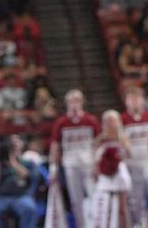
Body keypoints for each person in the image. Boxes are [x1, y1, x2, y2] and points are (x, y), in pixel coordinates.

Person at [49, 89, 100, 228]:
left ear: (82, 103)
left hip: (88, 164)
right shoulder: (61, 123)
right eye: (71, 102)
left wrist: (97, 164)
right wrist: (53, 167)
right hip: (70, 165)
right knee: (75, 199)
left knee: (94, 195)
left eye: (77, 101)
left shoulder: (91, 120)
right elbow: (55, 146)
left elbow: (97, 144)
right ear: (67, 104)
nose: (74, 105)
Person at [0, 136, 40, 228]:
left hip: (21, 196)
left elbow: (26, 175)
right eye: (11, 143)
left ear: (22, 145)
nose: (14, 145)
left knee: (29, 208)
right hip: (0, 198)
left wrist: (12, 160)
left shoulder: (28, 162)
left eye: (17, 142)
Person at [121, 84, 148, 227]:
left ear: (143, 100)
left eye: (138, 98)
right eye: (131, 98)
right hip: (133, 165)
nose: (135, 101)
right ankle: (139, 224)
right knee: (136, 199)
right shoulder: (121, 119)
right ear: (126, 101)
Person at [93, 110, 133, 228]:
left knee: (122, 207)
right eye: (107, 121)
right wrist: (97, 170)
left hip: (119, 172)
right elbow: (95, 158)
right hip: (105, 174)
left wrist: (119, 155)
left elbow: (129, 154)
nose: (110, 123)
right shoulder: (100, 139)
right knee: (106, 206)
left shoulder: (123, 137)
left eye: (112, 120)